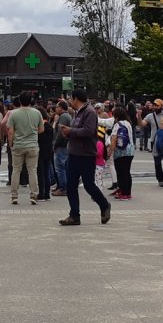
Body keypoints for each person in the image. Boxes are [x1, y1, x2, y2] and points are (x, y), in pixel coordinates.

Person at [58, 89, 111, 226]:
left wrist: (71, 131)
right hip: (74, 154)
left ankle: (104, 205)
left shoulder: (89, 112)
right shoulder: (78, 112)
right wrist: (67, 133)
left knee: (88, 185)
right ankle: (74, 215)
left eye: (71, 99)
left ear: (76, 99)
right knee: (71, 186)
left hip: (86, 155)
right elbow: (77, 130)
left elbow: (88, 131)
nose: (70, 101)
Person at [6, 92, 42, 205]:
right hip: (32, 145)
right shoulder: (37, 113)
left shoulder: (13, 114)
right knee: (32, 170)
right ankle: (34, 195)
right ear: (31, 100)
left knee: (16, 170)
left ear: (20, 101)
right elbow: (41, 129)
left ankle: (14, 196)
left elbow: (10, 131)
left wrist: (10, 144)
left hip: (18, 145)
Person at [142, 98, 163, 188]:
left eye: (157, 105)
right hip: (154, 141)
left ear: (162, 106)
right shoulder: (150, 116)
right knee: (157, 162)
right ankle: (160, 179)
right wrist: (138, 117)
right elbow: (142, 124)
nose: (155, 107)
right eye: (154, 105)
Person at [109, 107, 135, 199]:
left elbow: (113, 140)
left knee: (121, 172)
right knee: (126, 172)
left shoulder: (117, 125)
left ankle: (123, 192)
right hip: (130, 151)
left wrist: (109, 152)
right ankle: (127, 192)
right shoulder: (128, 123)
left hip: (120, 152)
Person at [51, 100, 72, 196]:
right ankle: (62, 186)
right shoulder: (66, 116)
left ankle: (63, 188)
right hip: (64, 145)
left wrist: (55, 145)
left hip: (61, 145)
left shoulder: (63, 117)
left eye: (57, 107)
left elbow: (60, 132)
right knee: (63, 167)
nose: (55, 109)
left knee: (60, 167)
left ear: (61, 108)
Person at [35, 104, 54, 201]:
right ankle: (47, 193)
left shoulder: (40, 127)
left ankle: (41, 193)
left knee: (40, 173)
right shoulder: (49, 126)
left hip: (40, 151)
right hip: (49, 151)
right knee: (47, 172)